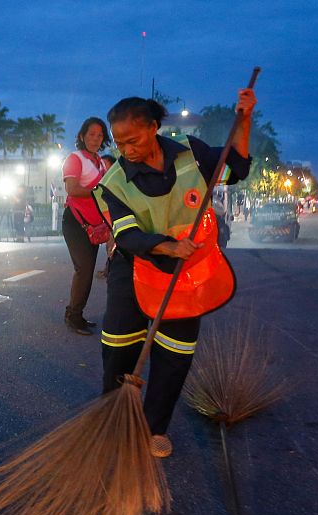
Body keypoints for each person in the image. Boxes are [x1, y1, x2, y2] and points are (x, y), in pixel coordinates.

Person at [94, 88, 256, 458]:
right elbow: (127, 234)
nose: (126, 149)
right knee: (120, 344)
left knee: (175, 351)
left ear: (154, 128)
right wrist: (166, 246)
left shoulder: (189, 152)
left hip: (188, 271)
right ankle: (115, 421)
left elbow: (236, 168)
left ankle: (154, 428)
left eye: (132, 140)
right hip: (136, 266)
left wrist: (244, 119)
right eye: (118, 142)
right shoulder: (115, 182)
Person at [61, 117, 114, 335]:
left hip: (93, 224)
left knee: (88, 269)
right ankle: (73, 316)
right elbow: (72, 189)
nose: (95, 138)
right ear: (82, 135)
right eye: (91, 134)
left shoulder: (100, 162)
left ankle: (75, 313)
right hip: (75, 221)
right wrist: (99, 191)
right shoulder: (75, 159)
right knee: (83, 269)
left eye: (100, 135)